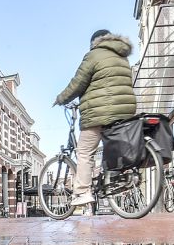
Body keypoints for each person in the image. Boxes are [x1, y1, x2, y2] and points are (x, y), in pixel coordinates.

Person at [54, 29, 137, 208]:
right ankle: (119, 177)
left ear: (95, 42)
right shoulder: (122, 56)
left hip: (100, 111)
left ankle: (83, 191)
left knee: (84, 152)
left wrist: (61, 98)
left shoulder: (94, 55)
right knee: (112, 145)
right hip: (125, 109)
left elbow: (78, 83)